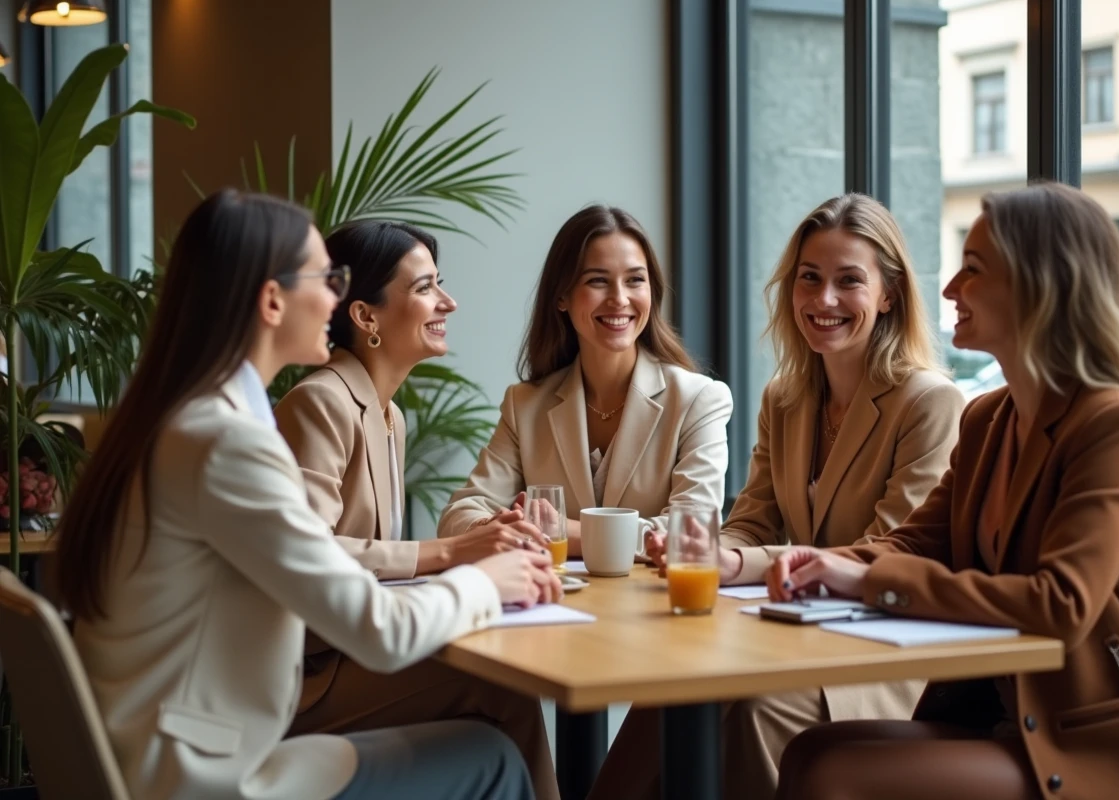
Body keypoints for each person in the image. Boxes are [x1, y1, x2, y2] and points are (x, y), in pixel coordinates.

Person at [54, 190, 560, 800]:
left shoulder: (181, 419)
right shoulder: (227, 443)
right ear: (272, 300)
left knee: (486, 739)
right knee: (492, 760)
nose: (335, 297)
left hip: (160, 744)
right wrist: (488, 580)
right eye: (326, 278)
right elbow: (379, 630)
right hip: (201, 773)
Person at [767, 182, 1119, 800]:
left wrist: (863, 580)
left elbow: (1061, 607)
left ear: (1038, 286)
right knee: (811, 752)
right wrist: (827, 564)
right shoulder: (988, 418)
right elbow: (918, 543)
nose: (947, 291)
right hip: (1007, 718)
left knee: (832, 773)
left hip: (1098, 744)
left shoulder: (1115, 425)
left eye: (972, 271)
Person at [590, 193, 964, 800]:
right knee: (673, 686)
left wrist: (733, 563)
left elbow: (884, 553)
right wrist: (698, 547)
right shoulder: (786, 398)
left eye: (850, 282)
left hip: (884, 654)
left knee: (755, 707)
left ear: (889, 294)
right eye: (809, 279)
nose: (824, 300)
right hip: (798, 633)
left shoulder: (928, 403)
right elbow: (751, 522)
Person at [274, 219, 558, 798]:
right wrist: (451, 551)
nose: (447, 301)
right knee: (501, 687)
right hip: (303, 681)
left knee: (495, 698)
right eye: (426, 287)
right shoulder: (320, 403)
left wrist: (482, 549)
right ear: (365, 316)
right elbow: (305, 555)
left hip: (349, 656)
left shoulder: (388, 416)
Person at [437, 205, 733, 553]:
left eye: (635, 280)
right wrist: (499, 528)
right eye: (597, 281)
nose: (619, 299)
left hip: (655, 604)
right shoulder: (525, 405)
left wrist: (558, 529)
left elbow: (690, 533)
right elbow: (459, 516)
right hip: (551, 601)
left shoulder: (699, 400)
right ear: (561, 296)